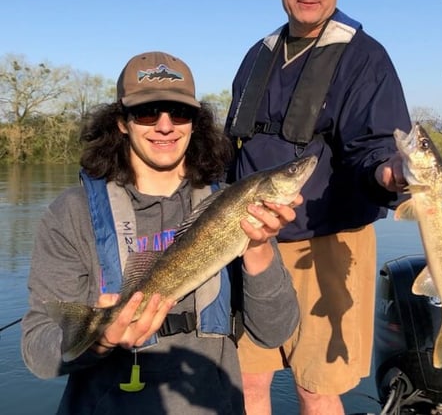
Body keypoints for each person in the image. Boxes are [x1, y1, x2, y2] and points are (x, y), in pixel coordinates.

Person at [21, 51, 301, 415]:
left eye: (179, 112)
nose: (165, 125)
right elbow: (37, 352)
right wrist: (100, 341)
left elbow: (274, 332)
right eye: (147, 113)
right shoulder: (71, 213)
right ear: (122, 122)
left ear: (195, 123)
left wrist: (259, 246)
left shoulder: (232, 205)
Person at [224, 0, 412, 414]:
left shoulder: (364, 57)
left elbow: (375, 147)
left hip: (327, 243)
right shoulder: (257, 55)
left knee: (316, 387)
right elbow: (233, 147)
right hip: (247, 239)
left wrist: (391, 172)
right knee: (247, 380)